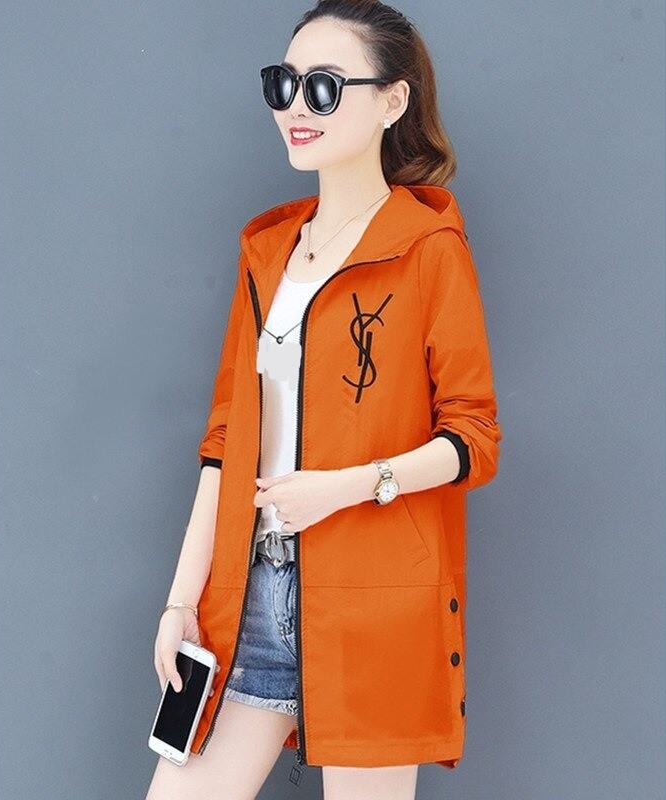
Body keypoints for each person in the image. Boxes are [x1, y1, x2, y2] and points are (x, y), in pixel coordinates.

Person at [147, 1, 501, 798]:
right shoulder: (267, 252)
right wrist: (180, 602)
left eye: (325, 87)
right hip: (249, 597)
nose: (296, 108)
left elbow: (473, 436)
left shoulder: (429, 249)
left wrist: (347, 486)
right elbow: (224, 440)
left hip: (373, 604)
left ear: (392, 100)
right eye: (285, 84)